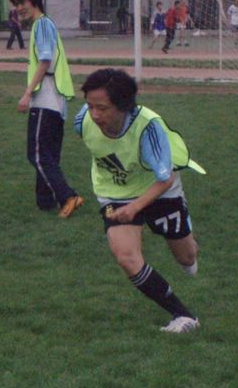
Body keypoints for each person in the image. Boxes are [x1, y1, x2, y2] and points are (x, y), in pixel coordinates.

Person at [75, 68, 205, 333]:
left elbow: (165, 178)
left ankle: (188, 242)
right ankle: (183, 316)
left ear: (123, 106)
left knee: (187, 258)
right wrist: (128, 207)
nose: (94, 114)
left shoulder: (148, 127)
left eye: (102, 108)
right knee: (126, 256)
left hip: (159, 189)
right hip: (115, 192)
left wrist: (136, 207)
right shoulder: (82, 120)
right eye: (90, 106)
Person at [9, 0, 83, 218]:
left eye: (22, 2)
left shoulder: (41, 24)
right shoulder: (45, 24)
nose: (19, 8)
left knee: (38, 154)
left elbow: (44, 60)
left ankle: (68, 196)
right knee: (49, 154)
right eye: (16, 4)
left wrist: (27, 93)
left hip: (46, 100)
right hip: (55, 101)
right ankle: (46, 201)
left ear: (34, 1)